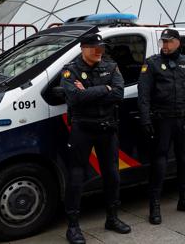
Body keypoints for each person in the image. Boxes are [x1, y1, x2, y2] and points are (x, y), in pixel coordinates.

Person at [61, 34, 131, 244]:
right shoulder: (70, 70)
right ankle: (73, 227)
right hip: (83, 128)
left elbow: (118, 93)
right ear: (83, 48)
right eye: (94, 48)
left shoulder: (111, 66)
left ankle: (112, 218)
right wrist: (104, 88)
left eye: (101, 47)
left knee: (112, 175)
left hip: (107, 128)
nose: (98, 51)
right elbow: (74, 97)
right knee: (76, 178)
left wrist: (90, 92)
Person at [138, 28, 185, 225]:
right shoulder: (152, 64)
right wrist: (145, 120)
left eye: (168, 42)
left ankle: (184, 199)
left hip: (182, 120)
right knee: (159, 163)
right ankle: (155, 206)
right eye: (163, 42)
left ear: (178, 42)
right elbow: (144, 96)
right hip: (162, 120)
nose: (165, 46)